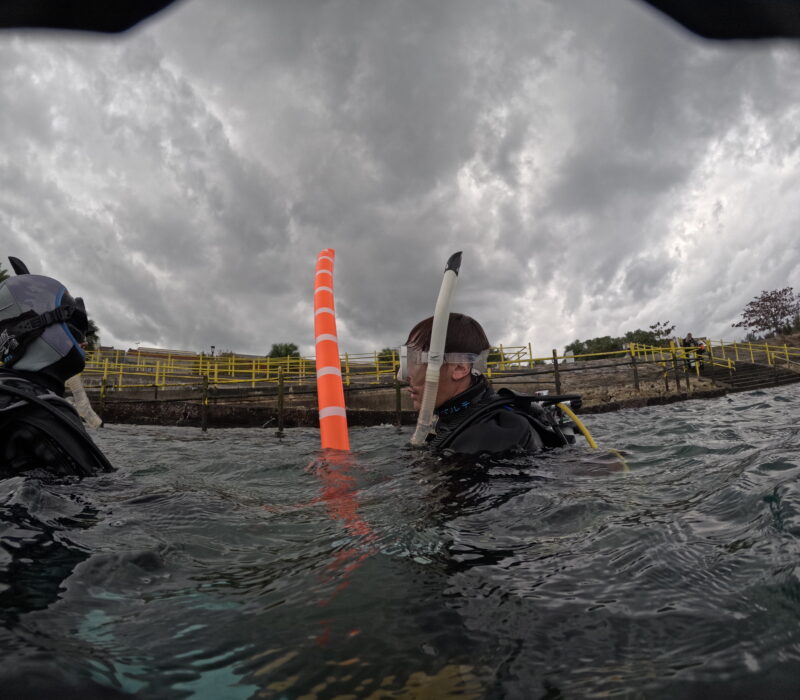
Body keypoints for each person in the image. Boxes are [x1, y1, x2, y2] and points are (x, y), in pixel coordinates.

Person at [398, 312, 576, 457]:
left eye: (415, 361)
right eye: (406, 360)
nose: (403, 376)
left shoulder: (494, 435)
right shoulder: (460, 421)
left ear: (460, 368)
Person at [0, 258, 113, 478]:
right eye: (76, 329)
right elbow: (97, 487)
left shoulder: (9, 394)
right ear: (30, 328)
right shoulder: (40, 411)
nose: (84, 342)